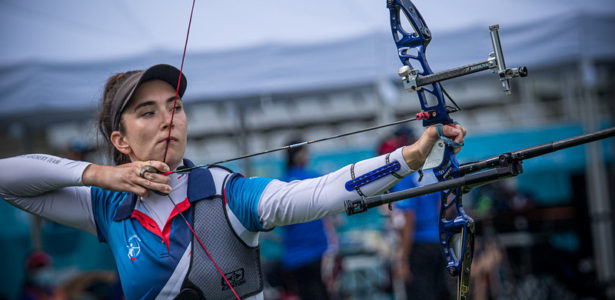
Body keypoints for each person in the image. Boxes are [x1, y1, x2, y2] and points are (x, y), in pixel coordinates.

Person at [0, 64, 466, 300]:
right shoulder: (107, 207)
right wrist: (104, 175)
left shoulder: (226, 192)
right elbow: (7, 179)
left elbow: (319, 193)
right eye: (148, 111)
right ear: (120, 140)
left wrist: (409, 158)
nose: (169, 119)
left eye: (174, 106)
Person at [380, 128, 452, 300]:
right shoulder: (430, 170)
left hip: (417, 245)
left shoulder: (406, 174)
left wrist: (402, 259)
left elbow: (407, 217)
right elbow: (446, 204)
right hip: (438, 242)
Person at [279, 139, 335, 299]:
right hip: (317, 250)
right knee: (321, 292)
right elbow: (331, 216)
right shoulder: (314, 179)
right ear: (300, 155)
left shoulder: (280, 183)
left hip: (293, 255)